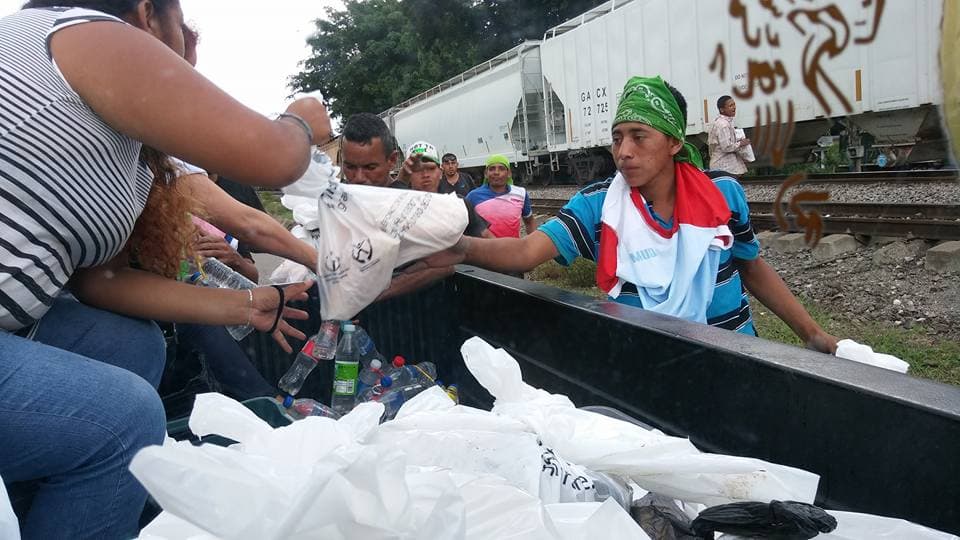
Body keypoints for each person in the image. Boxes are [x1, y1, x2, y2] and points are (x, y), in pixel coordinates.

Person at [0, 2, 331, 537]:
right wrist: (300, 122)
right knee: (121, 420)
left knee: (132, 347)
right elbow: (274, 156)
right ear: (149, 14)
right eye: (181, 40)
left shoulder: (115, 152)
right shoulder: (82, 31)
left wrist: (249, 305)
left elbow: (99, 282)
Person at [449, 76, 837, 353]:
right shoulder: (598, 206)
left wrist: (811, 332)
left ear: (673, 142)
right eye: (617, 138)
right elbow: (523, 253)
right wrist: (454, 246)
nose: (623, 151)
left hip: (737, 355)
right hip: (644, 362)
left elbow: (751, 266)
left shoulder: (723, 194)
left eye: (639, 136)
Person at [401, 141, 493, 239]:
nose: (425, 175)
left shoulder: (460, 204)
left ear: (440, 173)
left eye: (431, 168)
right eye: (418, 169)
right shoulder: (400, 209)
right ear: (408, 174)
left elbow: (487, 237)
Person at [465, 155, 536, 239]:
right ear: (486, 174)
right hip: (483, 250)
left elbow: (529, 221)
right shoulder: (473, 196)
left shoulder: (521, 193)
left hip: (512, 249)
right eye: (492, 169)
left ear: (509, 173)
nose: (496, 172)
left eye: (501, 169)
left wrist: (533, 245)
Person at [339, 112, 407, 188]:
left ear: (392, 160)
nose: (359, 178)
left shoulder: (413, 199)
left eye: (370, 168)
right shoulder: (335, 197)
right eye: (350, 167)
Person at [707, 95, 751, 177]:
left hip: (724, 166)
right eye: (731, 106)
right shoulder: (723, 125)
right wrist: (741, 143)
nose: (734, 107)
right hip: (724, 167)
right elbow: (726, 147)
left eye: (734, 105)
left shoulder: (721, 122)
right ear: (722, 110)